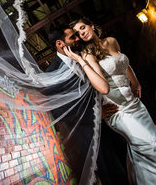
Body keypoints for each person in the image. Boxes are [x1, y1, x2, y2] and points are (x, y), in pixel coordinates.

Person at [66, 17, 156, 184]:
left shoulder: (112, 41)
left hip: (135, 104)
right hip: (118, 109)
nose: (82, 33)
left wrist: (135, 81)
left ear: (91, 25)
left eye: (83, 27)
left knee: (144, 148)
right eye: (78, 33)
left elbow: (124, 64)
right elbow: (102, 87)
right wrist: (81, 60)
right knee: (151, 143)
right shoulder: (87, 54)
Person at [46, 25, 129, 185]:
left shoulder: (83, 56)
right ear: (59, 44)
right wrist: (96, 114)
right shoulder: (51, 74)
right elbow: (60, 112)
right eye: (72, 37)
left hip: (113, 122)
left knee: (127, 163)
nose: (77, 39)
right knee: (113, 174)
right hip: (89, 134)